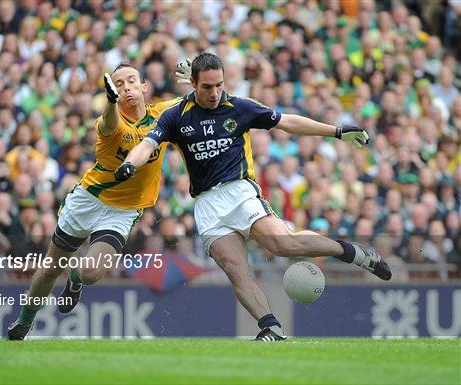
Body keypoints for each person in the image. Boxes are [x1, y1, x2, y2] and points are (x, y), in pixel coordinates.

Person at [116, 53, 392, 342]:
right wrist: (128, 165)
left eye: (219, 85)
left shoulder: (239, 108)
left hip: (239, 191)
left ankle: (355, 253)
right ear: (193, 84)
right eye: (207, 87)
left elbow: (287, 122)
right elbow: (148, 144)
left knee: (282, 243)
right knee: (237, 271)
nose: (214, 93)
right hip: (207, 206)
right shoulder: (175, 116)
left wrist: (334, 131)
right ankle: (271, 327)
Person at [7, 61, 190, 340]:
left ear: (144, 86)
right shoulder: (111, 121)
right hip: (89, 200)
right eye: (119, 84)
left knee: (91, 272)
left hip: (124, 210)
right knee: (49, 269)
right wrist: (110, 103)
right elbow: (109, 122)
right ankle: (24, 321)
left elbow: (195, 98)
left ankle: (75, 279)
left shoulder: (162, 115)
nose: (126, 87)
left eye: (131, 81)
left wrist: (192, 80)